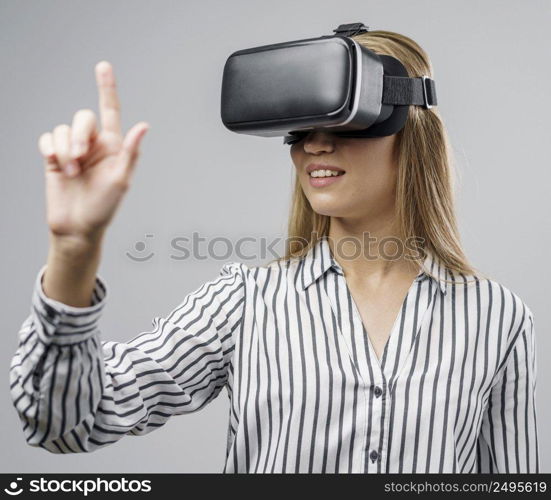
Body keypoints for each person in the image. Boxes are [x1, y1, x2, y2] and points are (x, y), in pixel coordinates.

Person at [9, 30, 539, 474]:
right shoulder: (245, 301)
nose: (314, 144)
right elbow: (66, 423)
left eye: (344, 120)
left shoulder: (497, 317)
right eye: (299, 128)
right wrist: (74, 250)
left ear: (408, 125)